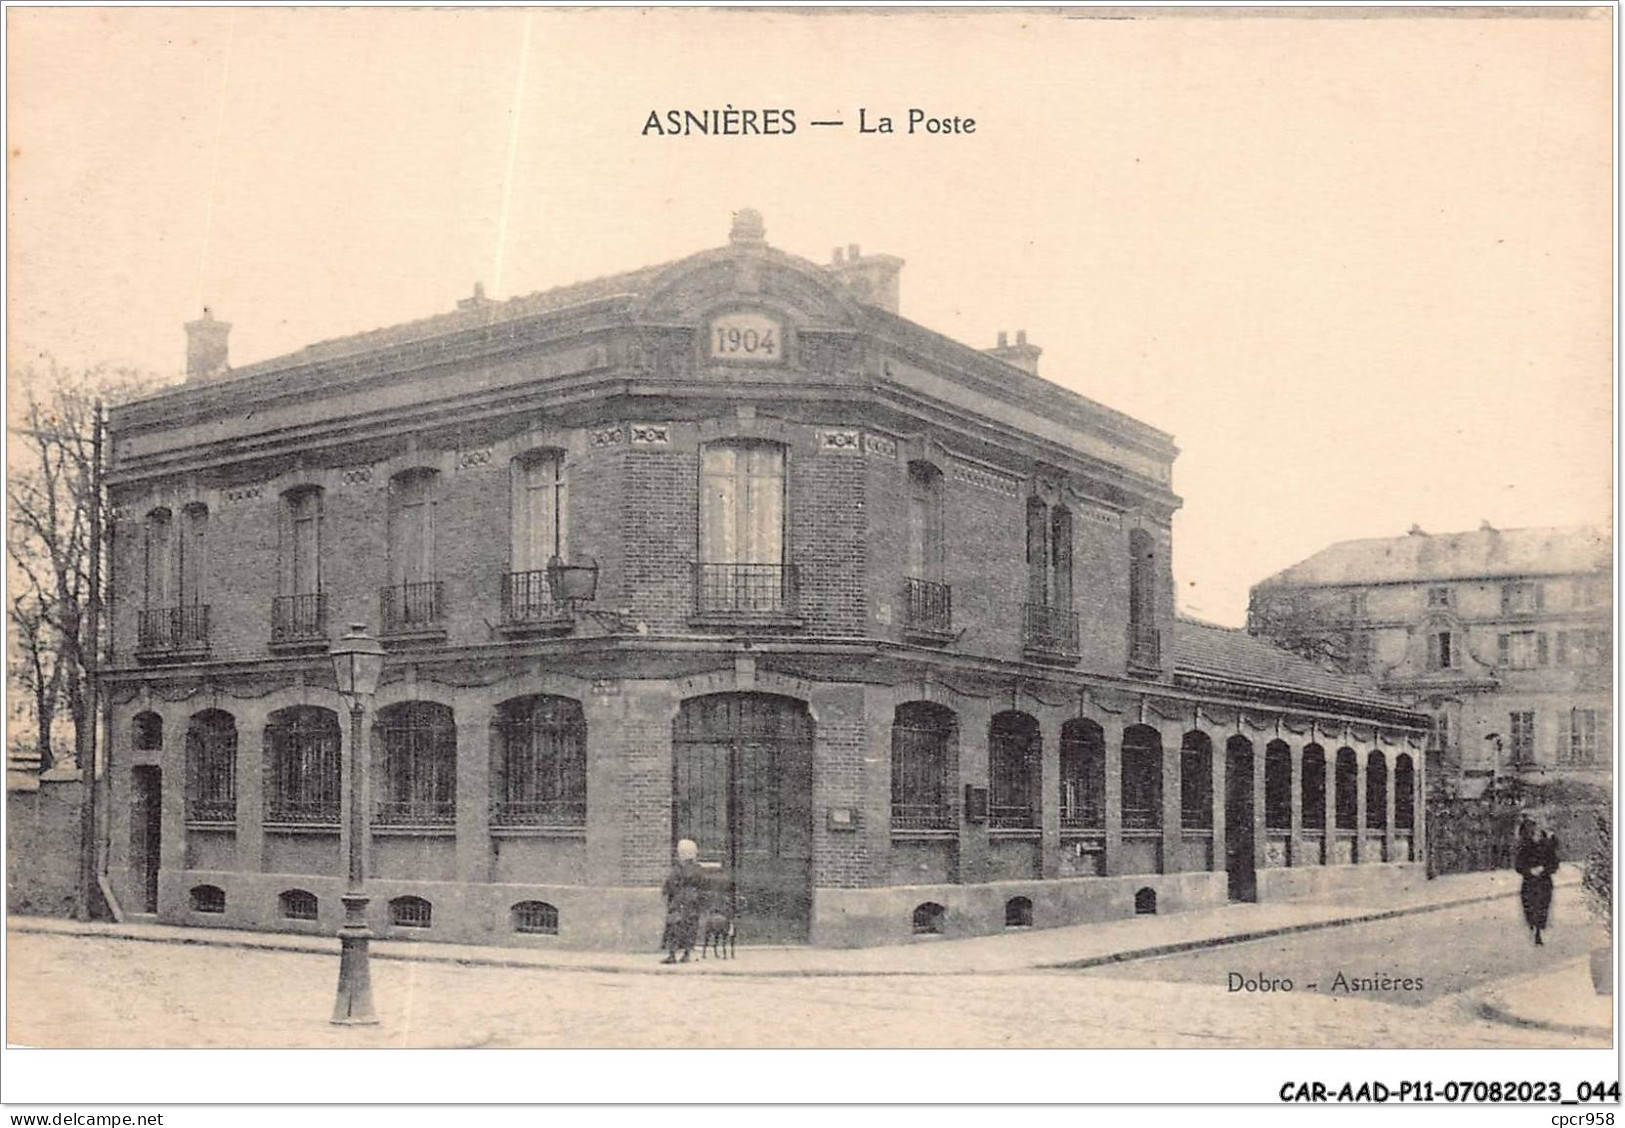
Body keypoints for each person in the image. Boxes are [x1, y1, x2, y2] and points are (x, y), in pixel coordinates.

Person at [1515, 817, 1560, 946]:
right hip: (1529, 882)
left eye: (1539, 833)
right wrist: (1529, 870)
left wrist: (1544, 869)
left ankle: (1538, 931)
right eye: (1534, 833)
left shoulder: (1547, 847)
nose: (1536, 835)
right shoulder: (1525, 847)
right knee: (1529, 906)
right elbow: (1518, 865)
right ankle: (1533, 928)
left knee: (1542, 907)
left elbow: (1554, 864)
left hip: (1544, 882)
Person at [661, 838, 705, 963]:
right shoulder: (698, 869)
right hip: (693, 901)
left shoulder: (678, 869)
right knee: (690, 928)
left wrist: (668, 893)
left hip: (678, 901)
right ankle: (686, 954)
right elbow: (703, 885)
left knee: (674, 927)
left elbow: (669, 884)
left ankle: (672, 954)